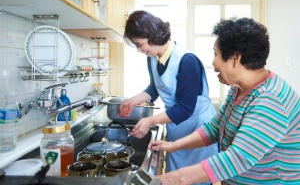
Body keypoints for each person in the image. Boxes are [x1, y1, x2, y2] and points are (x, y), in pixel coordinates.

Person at [148, 17, 300, 185]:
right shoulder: (238, 89)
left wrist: (163, 180)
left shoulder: (270, 100)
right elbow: (215, 128)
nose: (213, 63)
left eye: (216, 54)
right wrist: (174, 145)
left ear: (235, 58)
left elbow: (236, 158)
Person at [119, 10, 219, 185]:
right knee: (176, 178)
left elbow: (185, 108)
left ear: (152, 36)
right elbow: (155, 88)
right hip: (177, 125)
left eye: (140, 44)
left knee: (197, 179)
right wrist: (132, 101)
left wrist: (150, 121)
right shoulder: (152, 57)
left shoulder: (186, 60)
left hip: (197, 126)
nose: (139, 50)